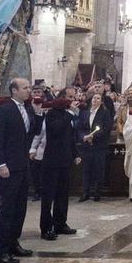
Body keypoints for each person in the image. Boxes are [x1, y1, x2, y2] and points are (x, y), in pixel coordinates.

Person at [0, 78, 43, 263]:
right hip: (8, 166)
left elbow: (33, 132)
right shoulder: (4, 110)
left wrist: (38, 115)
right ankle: (1, 251)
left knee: (20, 208)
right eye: (25, 88)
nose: (30, 91)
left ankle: (13, 243)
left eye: (29, 87)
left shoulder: (27, 108)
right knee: (7, 209)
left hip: (22, 165)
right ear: (14, 90)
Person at [36, 98, 81, 241]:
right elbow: (56, 129)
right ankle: (46, 227)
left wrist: (75, 154)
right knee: (48, 196)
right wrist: (70, 114)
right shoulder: (51, 115)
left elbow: (70, 138)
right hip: (51, 162)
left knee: (63, 194)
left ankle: (60, 223)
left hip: (65, 161)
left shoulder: (67, 116)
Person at [77, 93, 113, 202]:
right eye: (94, 98)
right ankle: (85, 193)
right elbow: (81, 128)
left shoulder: (105, 113)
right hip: (87, 146)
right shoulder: (85, 113)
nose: (95, 100)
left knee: (98, 170)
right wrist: (84, 137)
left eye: (98, 98)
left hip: (99, 146)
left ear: (101, 101)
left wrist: (93, 136)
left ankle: (97, 193)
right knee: (86, 170)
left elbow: (105, 128)